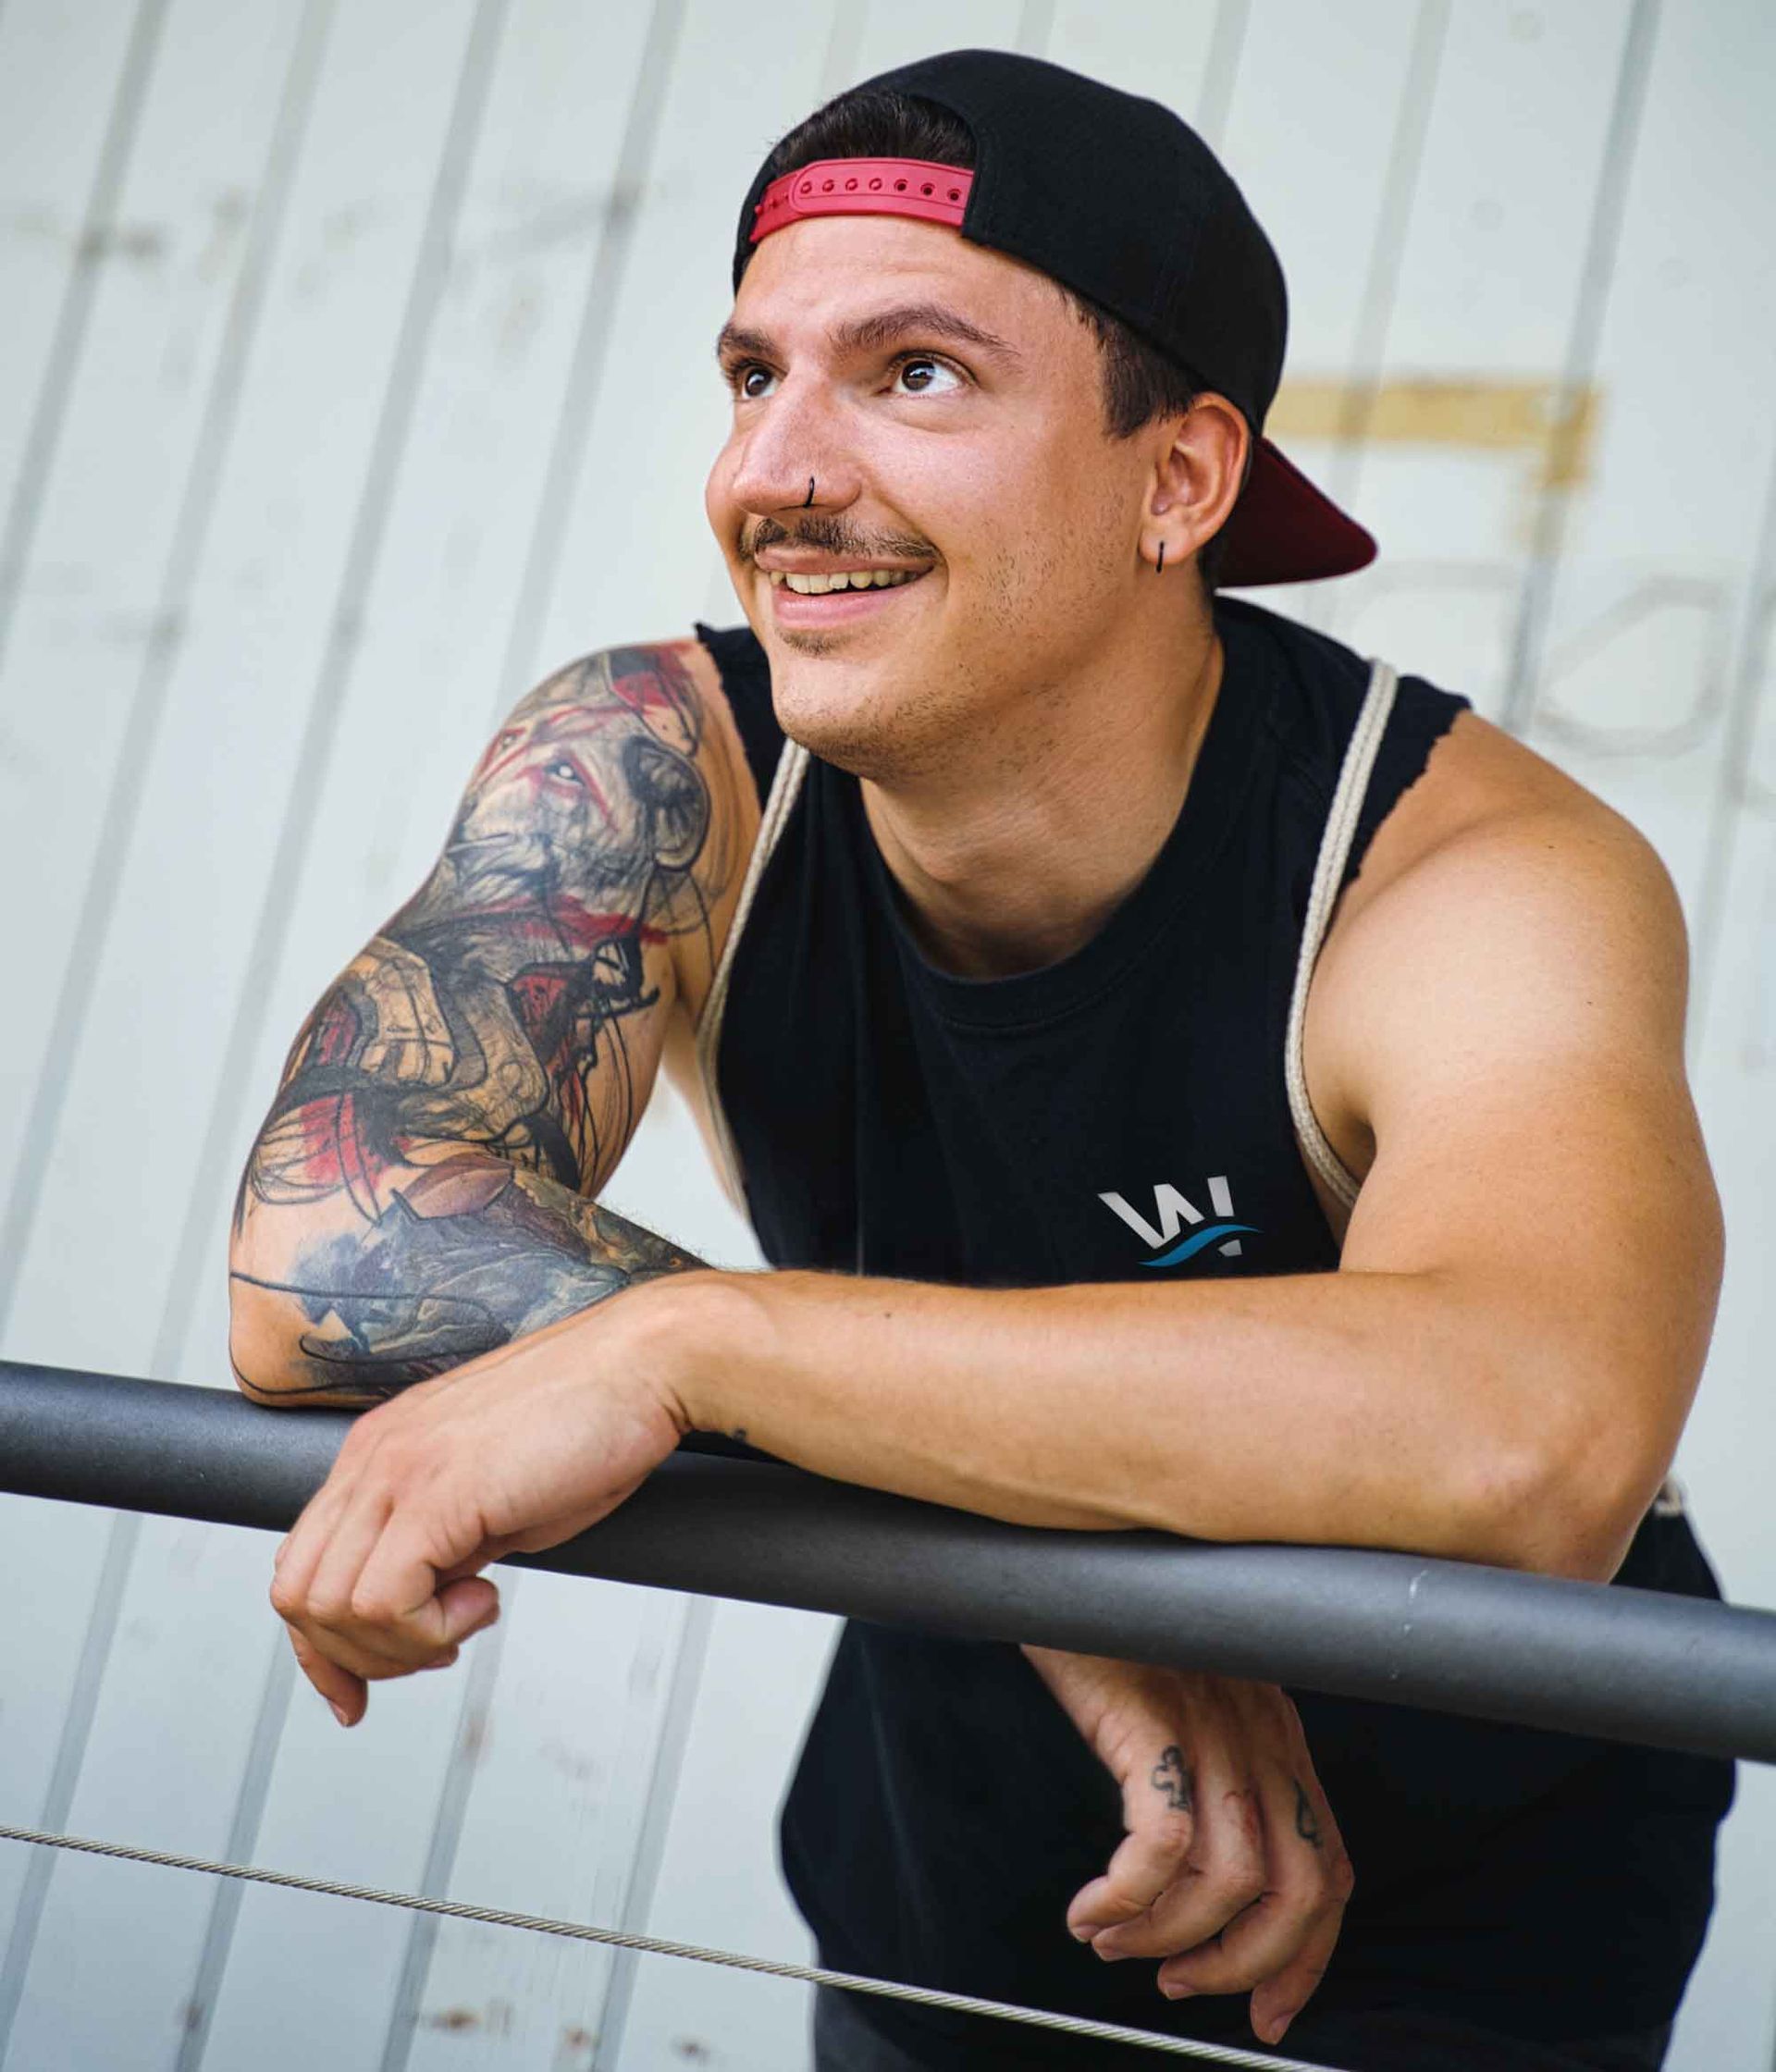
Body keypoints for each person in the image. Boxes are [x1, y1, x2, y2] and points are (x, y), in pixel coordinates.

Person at [228, 48, 1733, 2072]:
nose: (777, 472)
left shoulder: (1462, 874)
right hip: (942, 1854)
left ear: (1180, 479)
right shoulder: (665, 764)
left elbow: (1527, 1438)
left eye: (914, 374)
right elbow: (329, 1237)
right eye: (758, 374)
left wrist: (694, 1349)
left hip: (1444, 1915)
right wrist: (1070, 1595)